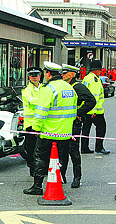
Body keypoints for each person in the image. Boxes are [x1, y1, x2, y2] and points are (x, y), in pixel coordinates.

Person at [24, 61, 77, 195]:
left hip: (49, 132)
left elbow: (41, 112)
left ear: (48, 74)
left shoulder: (48, 89)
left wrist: (36, 128)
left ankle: (37, 186)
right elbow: (73, 110)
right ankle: (58, 181)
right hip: (65, 132)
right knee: (60, 157)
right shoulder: (69, 88)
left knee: (40, 157)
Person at [61, 64, 96, 188]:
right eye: (62, 73)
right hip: (63, 123)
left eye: (66, 73)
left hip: (74, 124)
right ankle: (62, 176)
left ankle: (77, 178)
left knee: (73, 151)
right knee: (62, 151)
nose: (63, 75)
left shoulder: (78, 86)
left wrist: (78, 113)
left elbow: (91, 101)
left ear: (72, 74)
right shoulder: (64, 86)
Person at [81, 60, 109, 155]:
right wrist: (94, 111)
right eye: (100, 70)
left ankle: (84, 148)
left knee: (86, 129)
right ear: (97, 70)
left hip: (86, 109)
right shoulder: (95, 80)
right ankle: (99, 147)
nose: (100, 72)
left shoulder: (86, 78)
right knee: (101, 127)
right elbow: (94, 97)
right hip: (94, 111)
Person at [21, 66, 42, 176]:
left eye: (36, 76)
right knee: (31, 148)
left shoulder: (43, 87)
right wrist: (44, 101)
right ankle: (32, 168)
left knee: (41, 148)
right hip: (31, 124)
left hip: (42, 123)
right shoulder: (26, 90)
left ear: (40, 76)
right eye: (32, 76)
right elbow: (31, 101)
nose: (34, 78)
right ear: (29, 77)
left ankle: (41, 168)